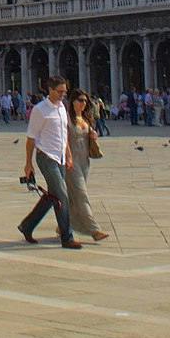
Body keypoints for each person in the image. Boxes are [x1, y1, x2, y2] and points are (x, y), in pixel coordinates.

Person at [18, 75, 82, 249]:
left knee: (52, 196)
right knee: (62, 196)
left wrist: (68, 155)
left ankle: (27, 225)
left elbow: (64, 135)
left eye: (65, 92)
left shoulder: (62, 107)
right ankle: (67, 237)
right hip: (46, 157)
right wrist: (28, 163)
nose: (63, 94)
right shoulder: (40, 110)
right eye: (60, 91)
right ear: (50, 90)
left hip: (60, 157)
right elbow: (30, 138)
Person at [65, 90, 108, 242]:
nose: (83, 103)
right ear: (72, 102)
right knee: (82, 195)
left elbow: (89, 136)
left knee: (73, 197)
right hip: (70, 162)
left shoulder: (85, 118)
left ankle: (64, 225)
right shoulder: (67, 119)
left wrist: (93, 135)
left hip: (84, 162)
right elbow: (63, 140)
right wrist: (68, 157)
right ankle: (94, 230)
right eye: (80, 100)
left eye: (85, 101)